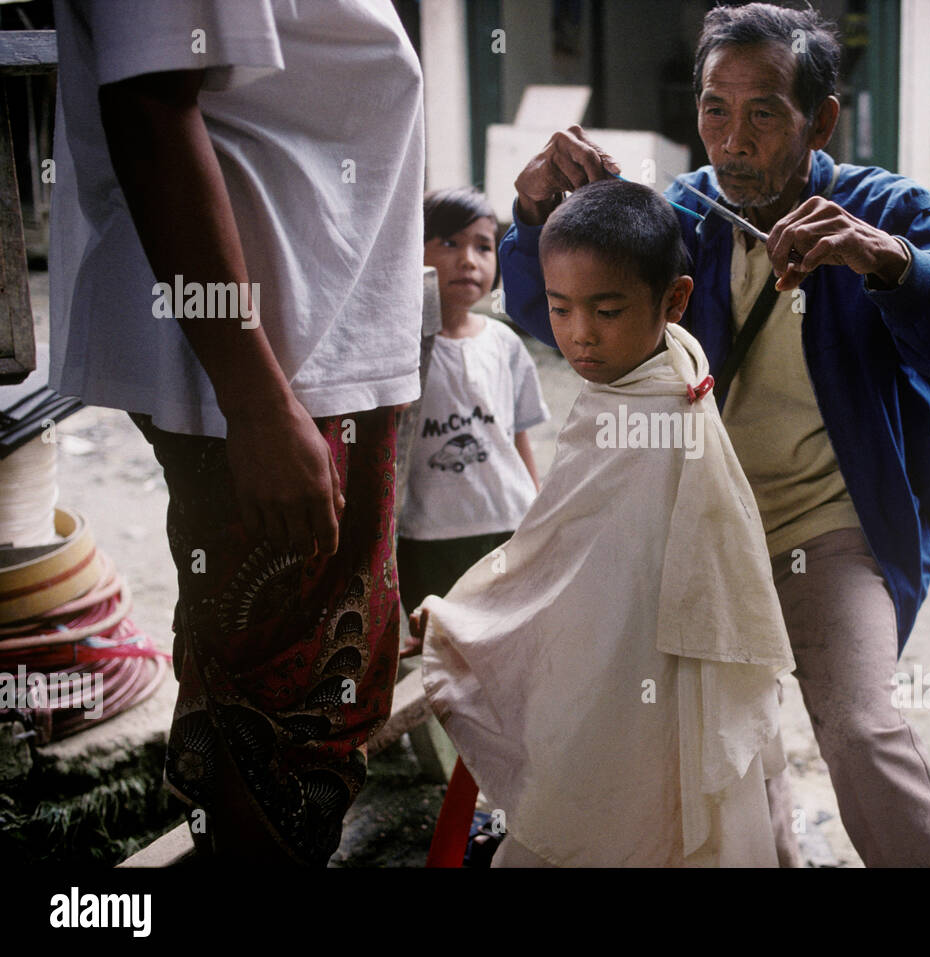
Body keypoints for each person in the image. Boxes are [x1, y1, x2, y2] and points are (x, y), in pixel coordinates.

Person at [500, 2, 930, 867]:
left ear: (820, 120)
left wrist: (891, 262)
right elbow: (551, 315)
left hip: (829, 528)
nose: (733, 139)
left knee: (859, 727)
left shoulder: (883, 207)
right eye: (715, 109)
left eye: (764, 112)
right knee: (711, 733)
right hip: (701, 526)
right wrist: (530, 215)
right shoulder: (682, 217)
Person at [48, 0, 425, 863]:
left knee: (314, 699)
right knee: (285, 723)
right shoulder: (259, 391)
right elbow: (148, 101)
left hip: (308, 351)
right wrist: (256, 402)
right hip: (269, 362)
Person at [414, 179, 796, 866]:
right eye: (559, 308)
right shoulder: (666, 371)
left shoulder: (652, 410)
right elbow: (560, 548)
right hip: (637, 667)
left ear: (674, 299)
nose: (580, 334)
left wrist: (461, 620)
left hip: (625, 676)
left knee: (600, 817)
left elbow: (570, 569)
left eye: (607, 309)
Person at [396, 188, 548, 652]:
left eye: (483, 246)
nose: (469, 260)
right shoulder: (400, 350)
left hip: (508, 528)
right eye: (448, 243)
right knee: (441, 653)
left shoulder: (504, 344)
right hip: (429, 537)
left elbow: (517, 436)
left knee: (509, 647)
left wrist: (538, 517)